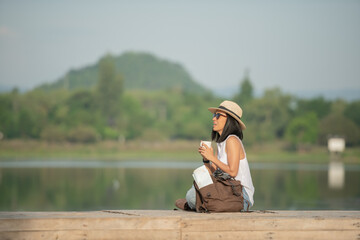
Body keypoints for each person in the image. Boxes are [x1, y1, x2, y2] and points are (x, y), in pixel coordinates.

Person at [175, 100, 255, 211]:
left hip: (240, 196)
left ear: (229, 120)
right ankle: (197, 203)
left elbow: (232, 172)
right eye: (214, 115)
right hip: (226, 189)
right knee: (195, 188)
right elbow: (214, 173)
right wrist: (206, 160)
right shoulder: (221, 143)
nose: (213, 118)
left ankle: (195, 203)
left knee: (193, 196)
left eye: (218, 116)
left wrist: (212, 157)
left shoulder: (232, 140)